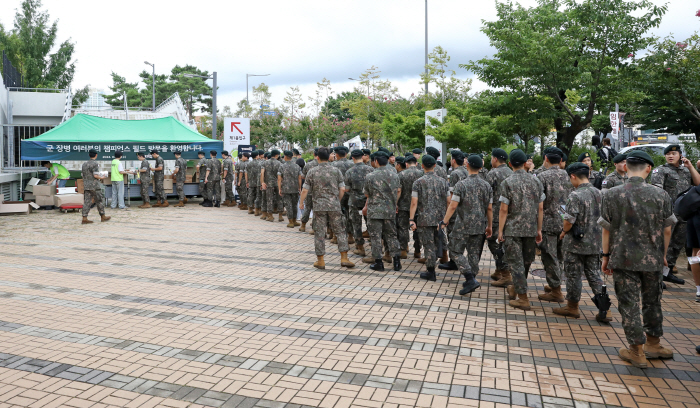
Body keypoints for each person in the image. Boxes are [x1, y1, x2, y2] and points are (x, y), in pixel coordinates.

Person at [599, 150, 676, 368]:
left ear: (626, 167)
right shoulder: (661, 195)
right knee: (652, 301)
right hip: (652, 257)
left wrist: (605, 256)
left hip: (623, 258)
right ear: (649, 168)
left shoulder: (611, 194)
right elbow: (667, 228)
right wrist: (663, 255)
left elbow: (606, 230)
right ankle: (654, 343)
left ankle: (637, 351)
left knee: (629, 304)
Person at [554, 162, 609, 322]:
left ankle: (572, 307)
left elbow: (569, 221)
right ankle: (605, 308)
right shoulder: (600, 193)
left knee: (573, 275)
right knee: (594, 274)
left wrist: (563, 231)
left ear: (573, 176)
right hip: (595, 242)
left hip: (575, 244)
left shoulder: (575, 195)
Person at [498, 149, 545, 311]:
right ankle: (516, 289)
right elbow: (540, 208)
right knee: (525, 262)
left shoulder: (507, 182)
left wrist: (500, 230)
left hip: (513, 229)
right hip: (531, 229)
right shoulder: (536, 182)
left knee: (516, 264)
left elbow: (504, 210)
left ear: (510, 164)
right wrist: (539, 229)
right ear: (526, 163)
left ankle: (523, 299)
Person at [441, 154, 492, 295]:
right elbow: (489, 208)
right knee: (474, 254)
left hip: (462, 225)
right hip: (480, 225)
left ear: (467, 165)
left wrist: (444, 221)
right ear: (481, 167)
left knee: (455, 250)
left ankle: (469, 278)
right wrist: (489, 226)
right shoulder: (486, 185)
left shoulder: (461, 184)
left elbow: (452, 206)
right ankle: (472, 279)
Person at [299, 146, 354, 269]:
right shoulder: (336, 171)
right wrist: (337, 200)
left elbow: (305, 190)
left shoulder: (312, 172)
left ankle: (321, 260)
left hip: (318, 206)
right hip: (334, 205)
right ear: (329, 157)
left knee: (319, 232)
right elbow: (342, 189)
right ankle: (344, 258)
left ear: (317, 157)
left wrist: (301, 203)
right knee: (340, 231)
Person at [651, 144, 700, 281]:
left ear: (680, 156)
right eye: (668, 154)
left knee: (677, 244)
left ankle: (668, 271)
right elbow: (657, 192)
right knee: (664, 243)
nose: (670, 156)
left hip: (684, 213)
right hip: (667, 213)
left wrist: (690, 167)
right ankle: (657, 274)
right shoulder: (661, 171)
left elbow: (698, 183)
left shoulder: (686, 171)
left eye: (674, 154)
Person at [535, 147, 572, 303]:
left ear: (546, 159)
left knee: (549, 256)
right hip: (565, 221)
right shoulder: (569, 175)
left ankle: (556, 290)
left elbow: (539, 204)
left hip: (548, 222)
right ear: (561, 161)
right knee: (560, 255)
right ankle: (554, 284)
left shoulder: (542, 176)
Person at [410, 154, 450, 281]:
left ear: (422, 166)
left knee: (428, 246)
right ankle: (439, 260)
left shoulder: (418, 182)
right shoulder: (444, 182)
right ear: (434, 166)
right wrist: (446, 218)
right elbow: (449, 201)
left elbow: (414, 203)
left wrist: (411, 219)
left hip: (424, 219)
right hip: (440, 219)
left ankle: (431, 271)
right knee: (438, 242)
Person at [362, 151, 402, 271]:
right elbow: (398, 191)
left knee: (375, 236)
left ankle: (378, 263)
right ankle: (396, 262)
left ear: (376, 162)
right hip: (390, 210)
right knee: (392, 236)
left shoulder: (370, 176)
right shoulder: (395, 175)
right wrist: (394, 203)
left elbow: (366, 194)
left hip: (374, 211)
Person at [487, 148, 514, 286]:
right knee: (504, 243)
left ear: (495, 159)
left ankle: (505, 273)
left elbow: (487, 194)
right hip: (511, 214)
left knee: (494, 243)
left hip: (497, 214)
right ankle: (499, 270)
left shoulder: (493, 173)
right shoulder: (511, 172)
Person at [440, 151, 469, 271]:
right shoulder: (466, 171)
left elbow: (452, 195)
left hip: (455, 208)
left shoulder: (455, 173)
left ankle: (454, 261)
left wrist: (448, 211)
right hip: (465, 208)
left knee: (452, 235)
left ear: (453, 160)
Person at [344, 149, 374, 256]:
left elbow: (346, 189)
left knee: (356, 224)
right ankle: (375, 246)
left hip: (354, 201)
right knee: (370, 223)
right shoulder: (371, 170)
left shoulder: (349, 172)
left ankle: (360, 247)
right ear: (362, 156)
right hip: (368, 201)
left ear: (352, 158)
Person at [397, 155, 422, 259]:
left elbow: (399, 191)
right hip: (418, 206)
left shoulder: (401, 174)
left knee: (402, 228)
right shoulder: (422, 174)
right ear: (416, 163)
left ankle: (403, 250)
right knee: (418, 229)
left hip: (404, 205)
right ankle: (417, 251)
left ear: (406, 164)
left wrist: (396, 203)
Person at [81, 149, 110, 224]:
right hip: (94, 186)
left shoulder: (84, 164)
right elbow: (96, 175)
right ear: (96, 155)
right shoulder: (95, 164)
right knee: (99, 200)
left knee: (87, 201)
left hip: (87, 185)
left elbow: (82, 175)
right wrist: (102, 177)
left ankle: (84, 217)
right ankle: (102, 216)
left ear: (89, 155)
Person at [278, 150, 303, 228]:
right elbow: (300, 178)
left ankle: (290, 221)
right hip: (295, 188)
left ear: (285, 157)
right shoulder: (297, 166)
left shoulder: (282, 166)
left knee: (288, 205)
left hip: (285, 188)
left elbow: (279, 179)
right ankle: (295, 220)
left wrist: (279, 188)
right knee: (294, 205)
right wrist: (299, 188)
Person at [299, 149, 319, 232]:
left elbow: (303, 176)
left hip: (309, 190)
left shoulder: (308, 165)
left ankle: (303, 225)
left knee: (307, 208)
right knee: (317, 210)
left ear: (314, 154)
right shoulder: (328, 165)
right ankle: (315, 228)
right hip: (320, 192)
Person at [245, 151, 261, 215]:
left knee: (250, 195)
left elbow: (246, 173)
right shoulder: (260, 163)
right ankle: (258, 210)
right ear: (257, 156)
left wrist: (247, 181)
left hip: (251, 181)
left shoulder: (248, 164)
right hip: (258, 181)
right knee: (258, 195)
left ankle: (250, 209)